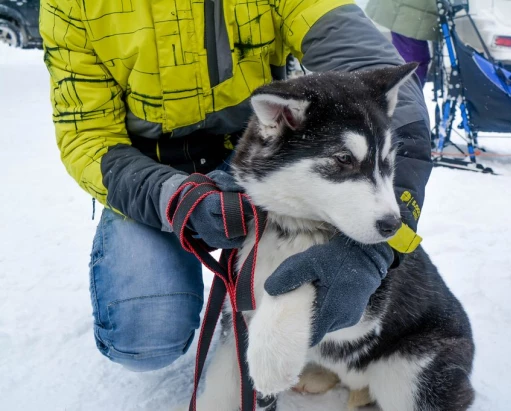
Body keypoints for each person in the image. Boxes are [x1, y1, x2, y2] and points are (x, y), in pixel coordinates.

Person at [39, 0, 432, 372]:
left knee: (333, 248)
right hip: (147, 170)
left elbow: (367, 64)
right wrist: (173, 197)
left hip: (254, 150)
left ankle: (292, 328)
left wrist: (373, 250)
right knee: (145, 338)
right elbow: (87, 137)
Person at [365, 0, 439, 85]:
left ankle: (406, 92)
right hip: (410, 11)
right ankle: (407, 94)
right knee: (412, 62)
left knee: (410, 61)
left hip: (409, 9)